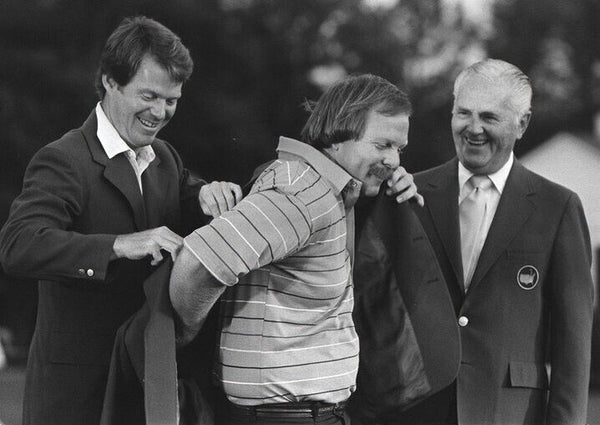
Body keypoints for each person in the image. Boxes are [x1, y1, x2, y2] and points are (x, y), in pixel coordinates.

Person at [0, 16, 241, 425]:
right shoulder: (63, 159)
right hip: (77, 399)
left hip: (145, 392)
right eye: (149, 95)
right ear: (110, 81)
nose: (160, 112)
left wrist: (207, 194)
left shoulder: (165, 157)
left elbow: (187, 193)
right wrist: (120, 244)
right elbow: (19, 245)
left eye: (171, 100)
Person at [167, 73, 424, 425]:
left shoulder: (328, 189)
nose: (394, 160)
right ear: (337, 136)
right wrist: (182, 333)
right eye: (383, 145)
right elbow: (199, 264)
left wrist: (385, 187)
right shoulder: (304, 194)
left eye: (399, 148)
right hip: (284, 417)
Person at [401, 59, 594, 424]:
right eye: (464, 113)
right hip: (415, 412)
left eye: (489, 117)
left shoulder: (558, 208)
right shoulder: (410, 196)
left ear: (522, 123)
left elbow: (573, 346)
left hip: (509, 413)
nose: (473, 128)